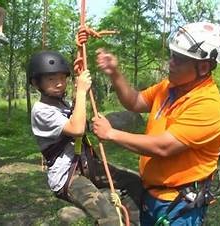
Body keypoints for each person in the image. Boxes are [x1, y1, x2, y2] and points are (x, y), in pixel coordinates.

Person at [92, 22, 220, 225]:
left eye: (179, 60)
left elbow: (164, 146)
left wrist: (111, 134)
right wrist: (114, 73)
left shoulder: (209, 104)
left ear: (203, 67)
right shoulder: (169, 87)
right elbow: (135, 101)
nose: (170, 63)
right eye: (172, 55)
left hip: (179, 204)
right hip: (152, 195)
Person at [28, 51, 141, 226]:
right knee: (109, 218)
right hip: (68, 177)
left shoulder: (61, 105)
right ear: (36, 83)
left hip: (87, 165)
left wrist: (77, 95)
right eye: (51, 79)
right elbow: (77, 128)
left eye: (62, 78)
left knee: (135, 182)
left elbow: (80, 121)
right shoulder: (41, 110)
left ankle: (130, 222)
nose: (59, 83)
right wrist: (81, 91)